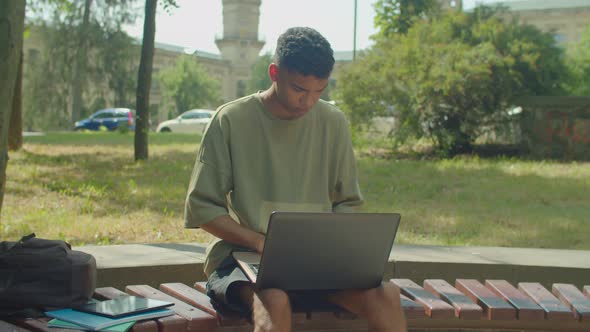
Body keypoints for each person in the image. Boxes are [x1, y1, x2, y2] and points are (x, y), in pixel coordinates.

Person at [185, 26, 407, 332]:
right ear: (274, 72)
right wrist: (259, 242)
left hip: (317, 262)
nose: (309, 102)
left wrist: (332, 243)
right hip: (242, 258)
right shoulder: (231, 120)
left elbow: (347, 203)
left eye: (319, 91)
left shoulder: (334, 122)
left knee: (387, 294)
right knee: (274, 300)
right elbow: (203, 210)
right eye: (299, 90)